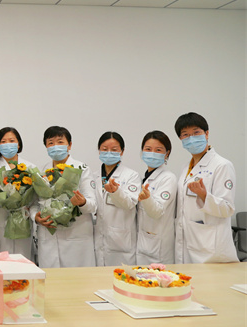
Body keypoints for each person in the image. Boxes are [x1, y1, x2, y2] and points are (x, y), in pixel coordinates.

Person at [174, 112, 238, 263]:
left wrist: (204, 196)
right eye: (185, 135)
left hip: (210, 246)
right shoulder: (186, 167)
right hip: (189, 240)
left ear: (206, 134)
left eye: (196, 132)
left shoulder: (222, 165)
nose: (191, 138)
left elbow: (227, 208)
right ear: (181, 139)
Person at [34, 126, 97, 268]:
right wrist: (36, 217)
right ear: (46, 146)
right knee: (51, 279)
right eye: (51, 143)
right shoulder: (42, 171)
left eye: (60, 142)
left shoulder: (81, 169)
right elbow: (34, 203)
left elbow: (92, 204)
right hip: (49, 237)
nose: (55, 146)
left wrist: (82, 202)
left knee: (76, 279)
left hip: (76, 238)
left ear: (69, 145)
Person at [0, 126, 36, 260]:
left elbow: (35, 199)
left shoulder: (30, 167)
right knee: (1, 260)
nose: (7, 144)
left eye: (12, 141)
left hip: (23, 220)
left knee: (23, 259)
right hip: (0, 218)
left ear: (18, 144)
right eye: (3, 141)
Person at [92, 132, 141, 266]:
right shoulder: (94, 176)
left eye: (114, 150)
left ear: (122, 151)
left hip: (121, 239)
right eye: (104, 149)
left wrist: (116, 192)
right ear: (99, 150)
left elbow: (130, 203)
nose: (109, 153)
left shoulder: (131, 176)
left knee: (121, 274)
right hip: (99, 236)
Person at [136, 130, 177, 265]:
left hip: (158, 247)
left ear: (167, 153)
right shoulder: (145, 177)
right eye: (148, 149)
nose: (152, 153)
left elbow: (157, 211)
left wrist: (147, 199)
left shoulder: (168, 178)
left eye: (158, 150)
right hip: (145, 242)